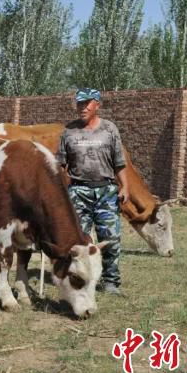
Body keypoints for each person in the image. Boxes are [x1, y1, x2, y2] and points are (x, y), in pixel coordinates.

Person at [56, 88, 129, 296]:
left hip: (106, 190)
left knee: (111, 238)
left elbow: (119, 163)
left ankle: (111, 282)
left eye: (87, 103)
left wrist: (125, 187)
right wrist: (60, 189)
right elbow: (60, 165)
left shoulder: (109, 129)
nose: (83, 107)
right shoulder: (69, 131)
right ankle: (77, 278)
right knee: (77, 241)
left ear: (97, 104)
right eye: (79, 103)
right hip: (78, 191)